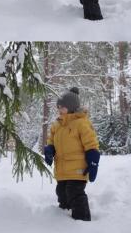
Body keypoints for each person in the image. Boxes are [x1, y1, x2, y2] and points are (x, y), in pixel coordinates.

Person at [43, 87, 100, 221]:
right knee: (61, 193)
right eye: (58, 107)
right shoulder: (57, 125)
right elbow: (51, 139)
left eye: (62, 107)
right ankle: (64, 218)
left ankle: (82, 219)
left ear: (71, 107)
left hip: (78, 169)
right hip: (62, 169)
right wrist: (50, 149)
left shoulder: (81, 123)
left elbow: (91, 144)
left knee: (74, 192)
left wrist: (93, 161)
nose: (59, 110)